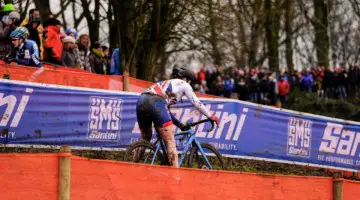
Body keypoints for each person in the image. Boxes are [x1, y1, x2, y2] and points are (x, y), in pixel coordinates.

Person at [136, 66, 219, 167]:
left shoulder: (167, 83)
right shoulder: (185, 85)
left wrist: (180, 124)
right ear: (187, 79)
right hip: (156, 102)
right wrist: (210, 116)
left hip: (141, 100)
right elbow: (196, 103)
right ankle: (175, 174)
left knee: (145, 138)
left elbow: (165, 111)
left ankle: (132, 164)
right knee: (170, 141)